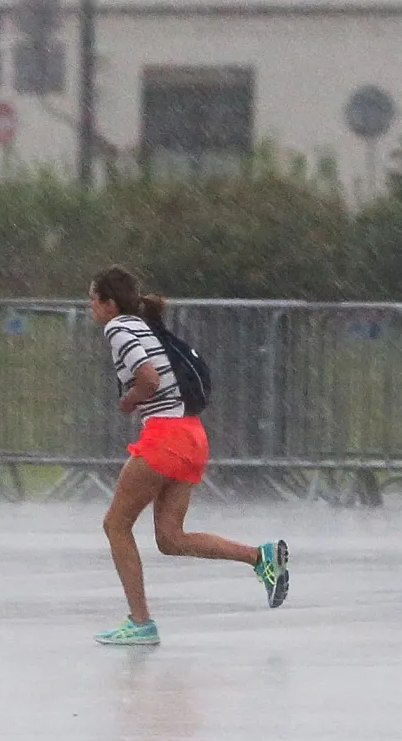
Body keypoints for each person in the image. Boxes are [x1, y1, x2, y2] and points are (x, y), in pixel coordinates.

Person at [87, 265, 288, 646]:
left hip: (166, 437)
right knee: (170, 538)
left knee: (116, 524)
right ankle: (260, 558)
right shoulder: (143, 325)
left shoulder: (118, 328)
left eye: (92, 301)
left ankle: (140, 622)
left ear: (108, 303)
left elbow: (149, 378)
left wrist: (129, 400)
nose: (90, 309)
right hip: (192, 434)